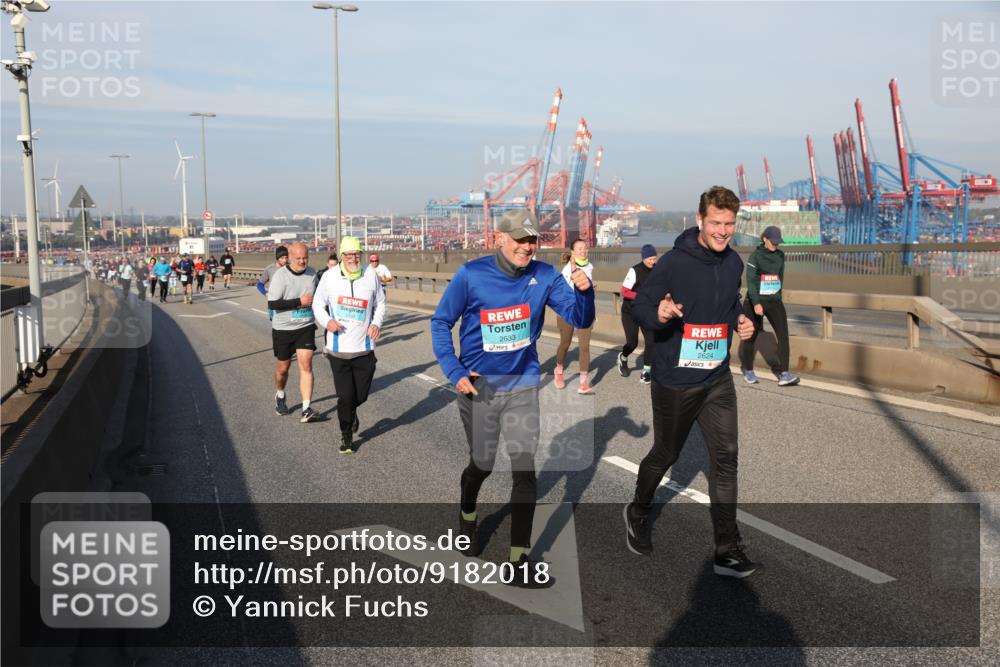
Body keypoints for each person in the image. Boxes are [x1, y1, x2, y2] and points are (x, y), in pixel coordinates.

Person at [431, 209, 594, 585]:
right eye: (520, 239)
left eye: (532, 240)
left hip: (522, 384)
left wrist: (585, 293)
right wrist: (454, 371)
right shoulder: (471, 276)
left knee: (524, 473)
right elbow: (441, 322)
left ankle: (518, 561)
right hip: (479, 387)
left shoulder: (545, 275)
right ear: (498, 238)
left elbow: (580, 319)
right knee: (482, 465)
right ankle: (467, 516)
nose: (527, 246)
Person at [623, 185, 759, 578]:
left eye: (730, 224)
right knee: (666, 455)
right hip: (676, 380)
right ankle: (639, 511)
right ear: (700, 220)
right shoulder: (673, 263)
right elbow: (641, 305)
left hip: (717, 379)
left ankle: (727, 550)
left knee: (726, 460)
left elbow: (730, 302)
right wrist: (661, 313)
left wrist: (740, 318)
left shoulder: (734, 262)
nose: (723, 231)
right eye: (716, 223)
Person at [313, 237, 386, 453]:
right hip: (339, 349)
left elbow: (381, 303)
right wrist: (328, 322)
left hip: (364, 347)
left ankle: (352, 412)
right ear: (342, 256)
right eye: (349, 254)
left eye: (357, 253)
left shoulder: (370, 275)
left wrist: (375, 322)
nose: (354, 257)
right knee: (345, 396)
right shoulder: (329, 277)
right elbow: (318, 304)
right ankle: (346, 435)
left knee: (360, 396)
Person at [740, 226, 799, 387]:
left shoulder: (780, 256)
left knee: (783, 336)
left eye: (778, 242)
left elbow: (780, 278)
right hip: (755, 301)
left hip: (774, 300)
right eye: (773, 241)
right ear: (765, 239)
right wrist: (756, 303)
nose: (775, 245)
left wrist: (777, 297)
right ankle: (748, 370)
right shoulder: (755, 256)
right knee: (750, 336)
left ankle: (784, 373)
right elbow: (751, 282)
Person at [267, 242, 319, 422]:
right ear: (289, 258)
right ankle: (280, 394)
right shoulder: (281, 276)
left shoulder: (312, 274)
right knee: (283, 369)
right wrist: (299, 301)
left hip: (305, 325)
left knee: (306, 364)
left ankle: (306, 408)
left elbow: (319, 296)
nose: (303, 261)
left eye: (305, 257)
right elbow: (273, 304)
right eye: (298, 258)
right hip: (283, 328)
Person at [554, 238, 596, 394]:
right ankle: (558, 371)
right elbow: (562, 293)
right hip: (568, 311)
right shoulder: (567, 269)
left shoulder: (590, 266)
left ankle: (583, 383)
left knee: (584, 347)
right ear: (572, 252)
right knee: (565, 344)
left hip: (585, 312)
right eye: (579, 248)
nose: (583, 250)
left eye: (585, 248)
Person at [619, 244, 659, 384]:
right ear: (643, 258)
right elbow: (624, 291)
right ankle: (623, 358)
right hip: (630, 312)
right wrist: (641, 296)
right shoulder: (634, 270)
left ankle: (646, 371)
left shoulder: (657, 269)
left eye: (654, 258)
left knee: (651, 341)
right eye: (649, 258)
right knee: (632, 343)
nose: (652, 261)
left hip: (646, 312)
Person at [257, 246, 289, 320]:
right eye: (282, 258)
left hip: (288, 302)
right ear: (277, 258)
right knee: (277, 328)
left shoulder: (290, 268)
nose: (285, 260)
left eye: (286, 257)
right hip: (274, 303)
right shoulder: (270, 269)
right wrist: (265, 293)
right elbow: (259, 284)